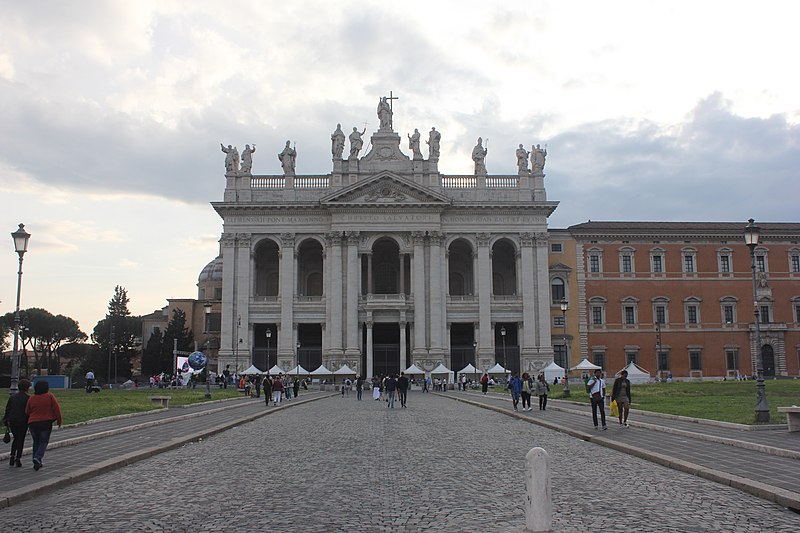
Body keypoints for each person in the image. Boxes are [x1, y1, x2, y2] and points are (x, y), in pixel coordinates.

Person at [25, 380, 63, 471]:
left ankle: (37, 460)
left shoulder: (32, 398)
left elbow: (27, 411)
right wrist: (59, 421)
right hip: (45, 422)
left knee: (36, 442)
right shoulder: (49, 396)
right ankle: (38, 458)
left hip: (33, 423)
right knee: (43, 441)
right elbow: (57, 409)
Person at [3, 378, 31, 467]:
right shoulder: (28, 398)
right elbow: (28, 411)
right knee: (21, 439)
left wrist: (5, 420)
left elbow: (8, 409)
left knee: (15, 438)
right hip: (23, 421)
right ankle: (18, 458)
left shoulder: (12, 397)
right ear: (27, 388)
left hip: (13, 420)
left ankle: (12, 456)